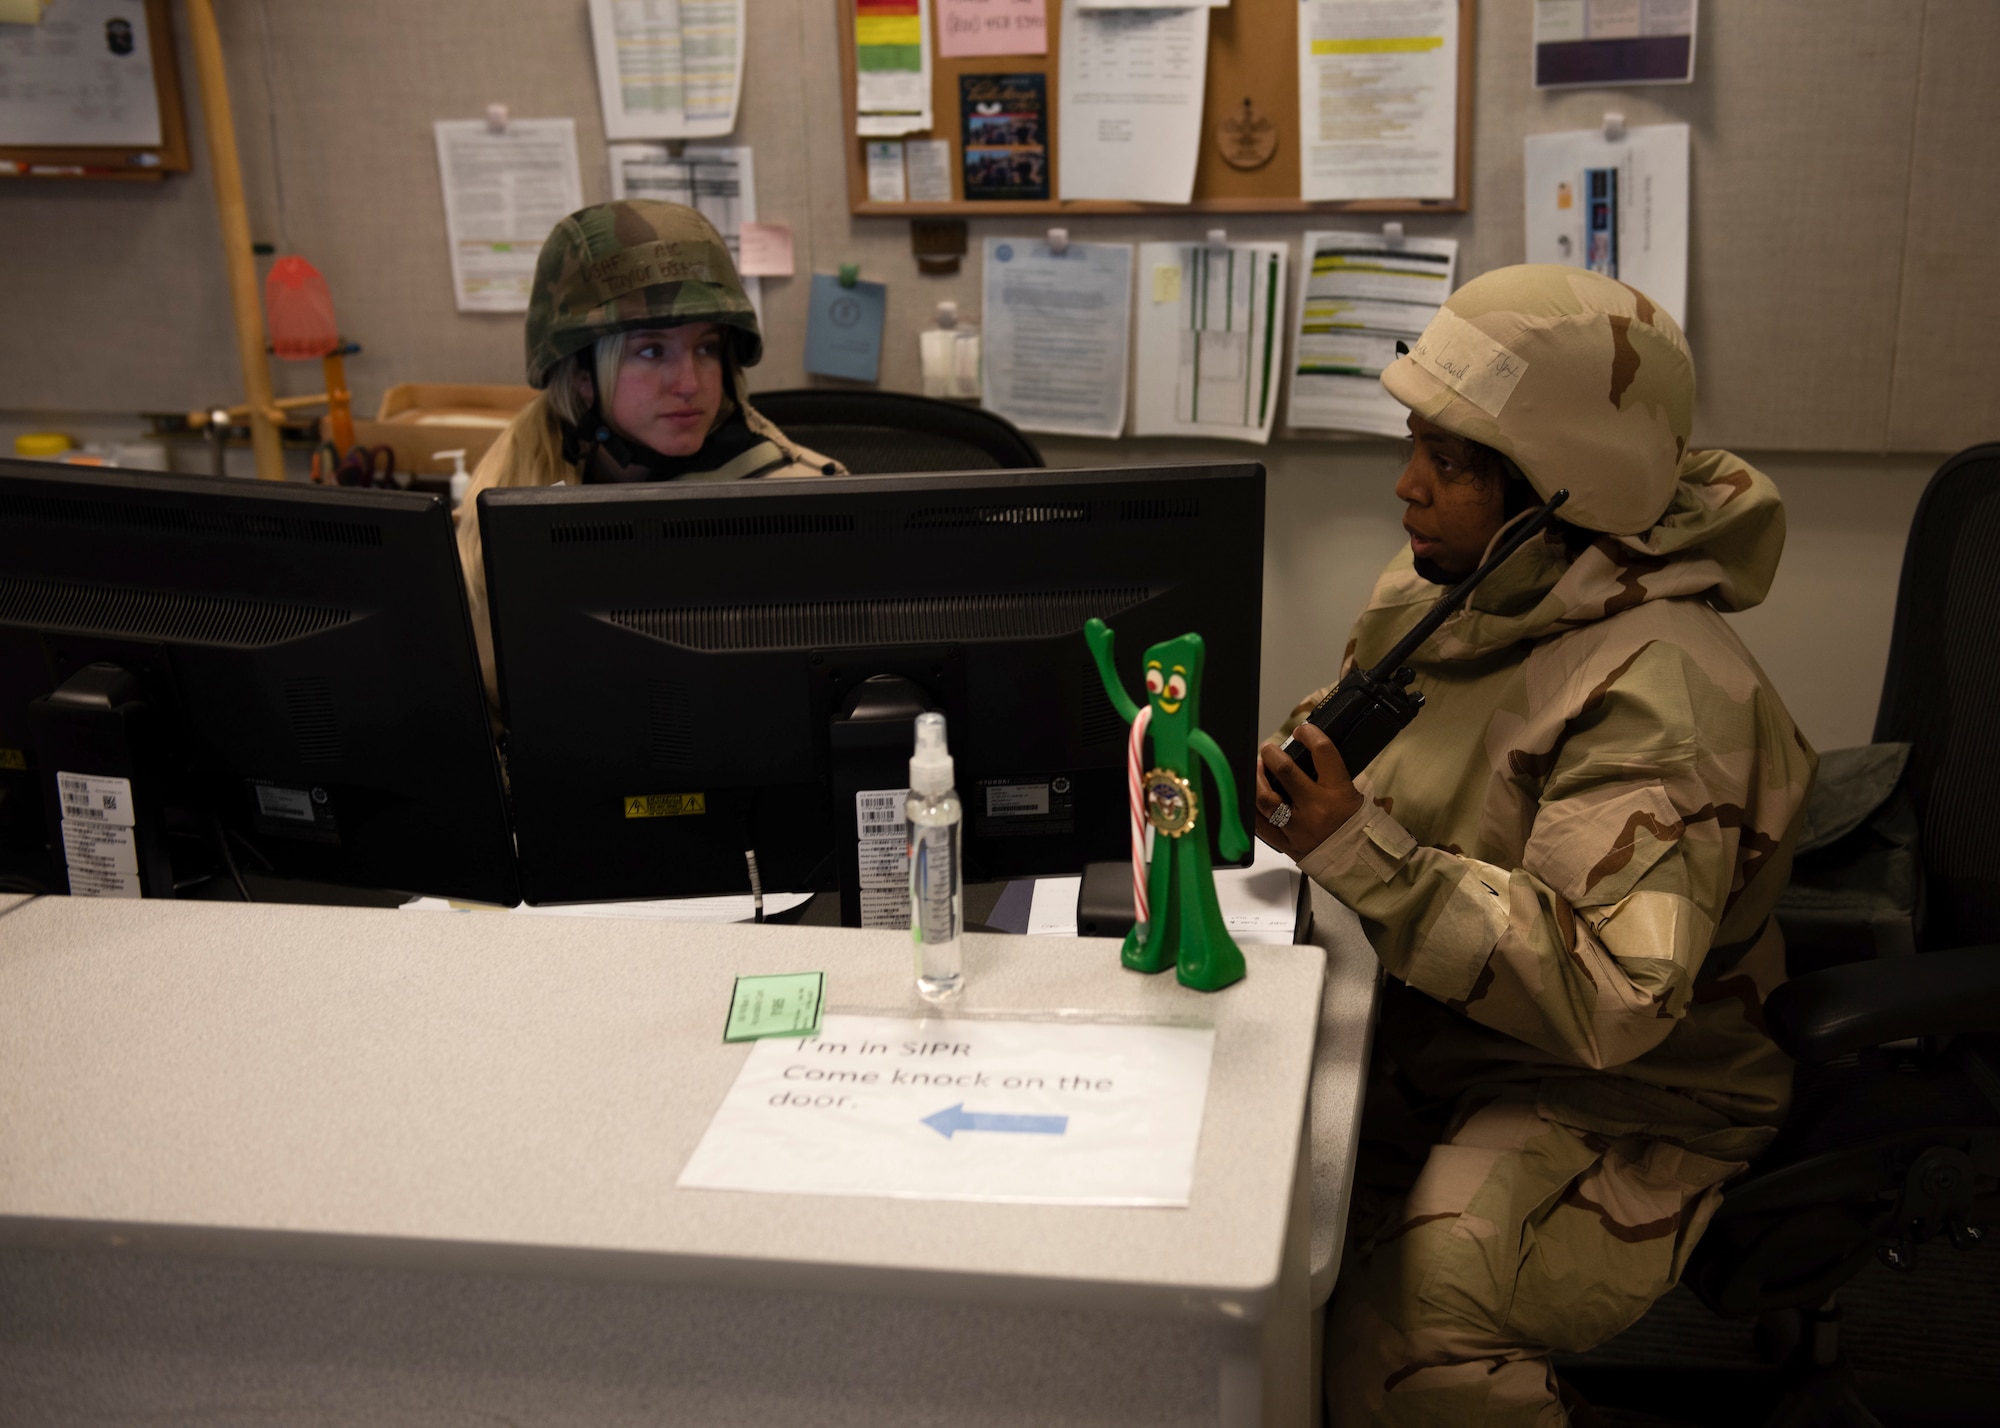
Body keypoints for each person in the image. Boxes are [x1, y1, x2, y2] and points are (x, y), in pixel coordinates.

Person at [1254, 266, 1817, 1425]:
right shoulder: (1452, 591)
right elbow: (1367, 752)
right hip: (1435, 1030)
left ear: (1563, 489)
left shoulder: (1663, 690)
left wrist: (1358, 851)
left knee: (1416, 1317)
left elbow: (1614, 997)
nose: (1406, 487)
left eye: (1451, 463)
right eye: (1414, 442)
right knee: (1252, 1234)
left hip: (1627, 1095)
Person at [455, 200, 842, 712]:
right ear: (582, 375)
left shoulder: (809, 507)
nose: (689, 384)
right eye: (652, 351)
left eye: (706, 348)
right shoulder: (505, 507)